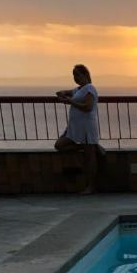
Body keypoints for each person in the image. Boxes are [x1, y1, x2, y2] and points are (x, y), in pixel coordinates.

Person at [54, 64, 100, 193]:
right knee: (59, 145)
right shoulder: (78, 89)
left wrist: (70, 102)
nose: (75, 77)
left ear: (85, 75)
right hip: (75, 127)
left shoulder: (90, 88)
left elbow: (88, 107)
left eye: (78, 75)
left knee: (90, 157)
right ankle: (93, 146)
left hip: (86, 127)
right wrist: (62, 94)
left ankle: (91, 186)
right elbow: (61, 92)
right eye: (74, 75)